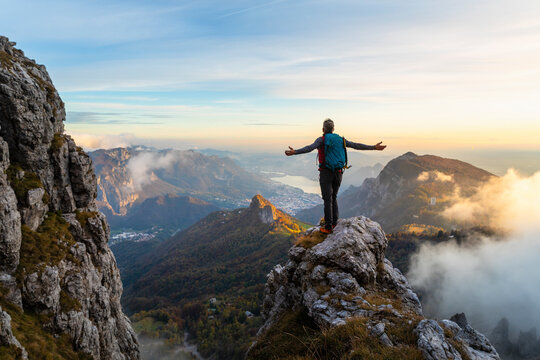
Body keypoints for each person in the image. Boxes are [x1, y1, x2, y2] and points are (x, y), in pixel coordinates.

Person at [285, 119, 386, 234]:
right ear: (333, 129)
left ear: (323, 129)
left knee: (327, 199)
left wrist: (295, 152)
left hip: (325, 172)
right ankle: (334, 222)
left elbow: (309, 148)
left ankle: (328, 227)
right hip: (338, 172)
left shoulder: (321, 140)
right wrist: (374, 147)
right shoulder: (341, 140)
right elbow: (356, 145)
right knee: (334, 197)